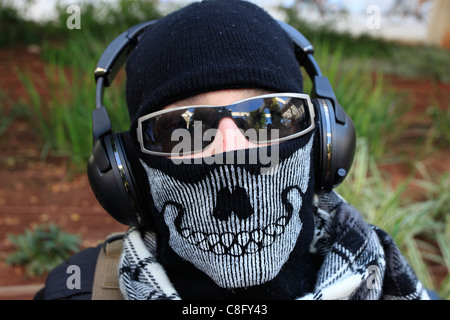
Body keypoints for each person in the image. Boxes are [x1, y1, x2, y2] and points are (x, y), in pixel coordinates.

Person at [35, 0, 430, 300]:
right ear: (128, 171)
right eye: (182, 128)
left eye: (269, 117)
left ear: (325, 145)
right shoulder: (73, 290)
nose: (232, 151)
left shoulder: (395, 285)